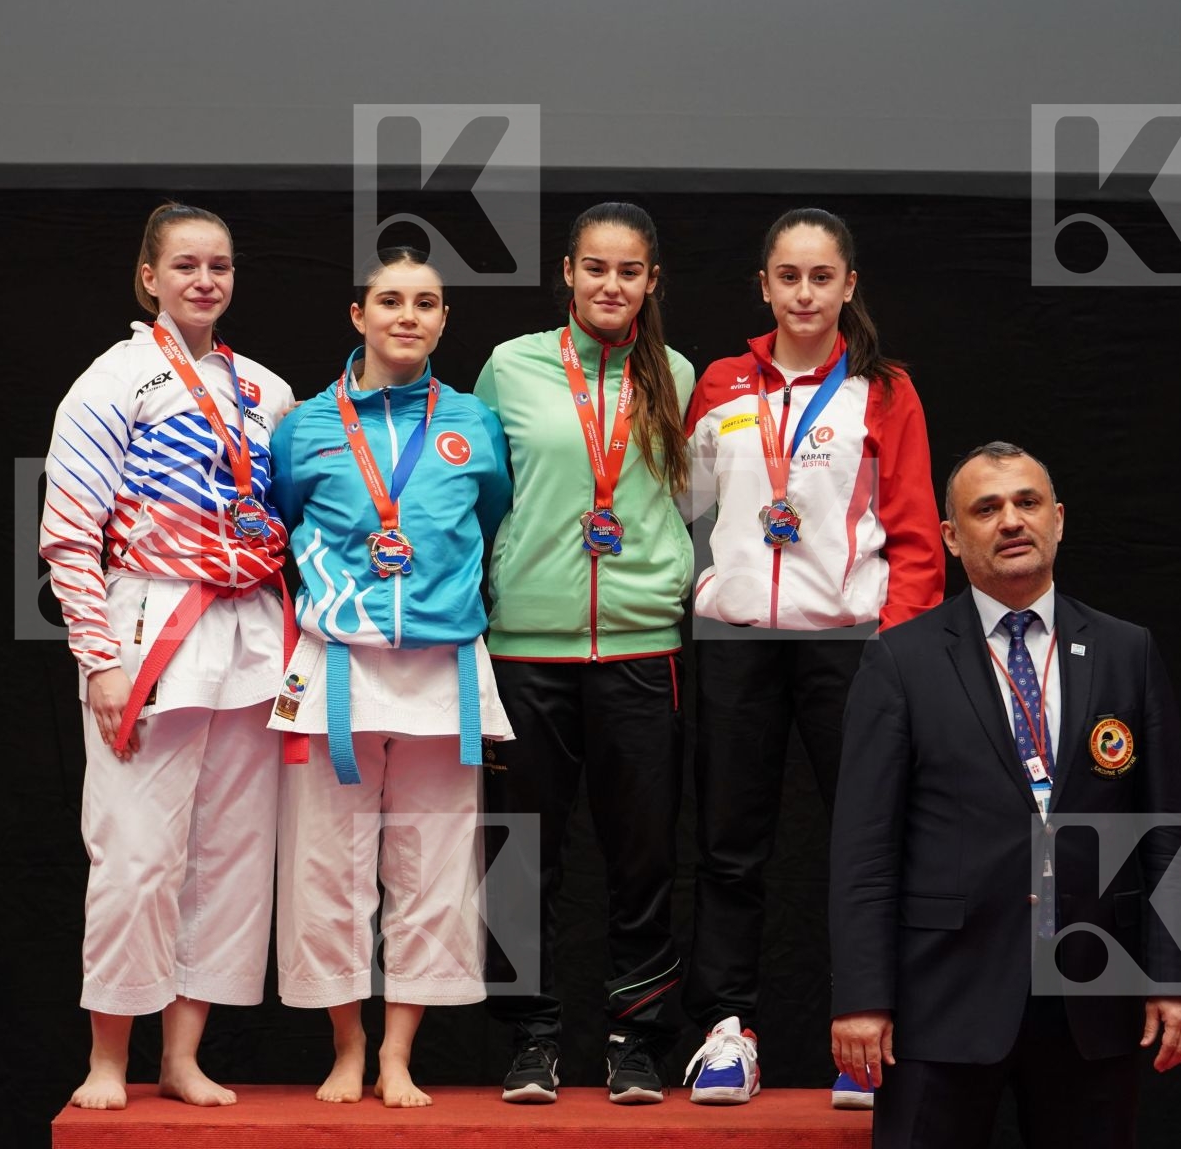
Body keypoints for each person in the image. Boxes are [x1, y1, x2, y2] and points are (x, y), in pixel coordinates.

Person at [829, 442, 1181, 1148]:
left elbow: (1168, 828)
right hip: (942, 994)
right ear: (951, 536)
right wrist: (861, 999)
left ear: (1058, 519)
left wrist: (1176, 977)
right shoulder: (901, 659)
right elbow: (864, 849)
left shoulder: (1127, 650)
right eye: (987, 508)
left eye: (1027, 502)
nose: (1010, 520)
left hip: (1094, 990)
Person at [680, 207, 943, 1107]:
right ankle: (727, 1034)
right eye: (788, 277)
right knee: (728, 845)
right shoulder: (720, 384)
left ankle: (871, 1039)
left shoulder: (886, 390)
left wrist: (900, 653)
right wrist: (706, 587)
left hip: (851, 644)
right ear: (763, 286)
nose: (804, 293)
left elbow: (916, 535)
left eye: (821, 277)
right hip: (735, 642)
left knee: (867, 843)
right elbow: (685, 511)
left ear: (848, 286)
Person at [40, 202, 297, 1109]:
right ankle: (108, 1060)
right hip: (151, 627)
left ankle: (181, 1059)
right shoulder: (112, 380)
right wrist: (99, 661)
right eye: (185, 265)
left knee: (230, 857)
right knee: (136, 855)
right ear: (148, 277)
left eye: (219, 266)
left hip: (252, 632)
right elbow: (70, 536)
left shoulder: (268, 391)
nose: (205, 280)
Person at [267, 247, 512, 1108]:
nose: (408, 315)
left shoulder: (475, 423)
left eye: (426, 303)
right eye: (391, 300)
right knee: (326, 868)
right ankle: (348, 1045)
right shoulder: (303, 427)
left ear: (444, 321)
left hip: (445, 668)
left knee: (434, 870)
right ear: (358, 315)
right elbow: (285, 519)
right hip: (336, 667)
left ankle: (399, 1053)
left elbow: (489, 515)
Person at [476, 201, 695, 1105]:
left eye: (629, 271)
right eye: (595, 267)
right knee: (518, 853)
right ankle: (531, 1037)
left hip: (642, 646)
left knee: (643, 857)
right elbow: (483, 494)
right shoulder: (510, 366)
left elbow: (688, 502)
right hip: (527, 648)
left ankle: (633, 1039)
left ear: (651, 282)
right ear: (567, 272)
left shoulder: (676, 374)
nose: (611, 285)